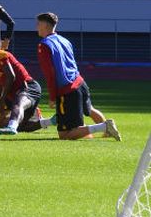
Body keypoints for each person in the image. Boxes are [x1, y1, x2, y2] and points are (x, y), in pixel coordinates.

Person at [36, 12, 120, 141]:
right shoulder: (64, 40)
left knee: (65, 135)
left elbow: (50, 73)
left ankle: (104, 127)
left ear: (46, 25)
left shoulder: (44, 45)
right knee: (89, 109)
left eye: (38, 24)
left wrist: (52, 97)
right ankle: (106, 131)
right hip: (80, 83)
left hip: (67, 90)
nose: (36, 27)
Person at [0, 36, 43, 135]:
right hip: (23, 91)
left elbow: (11, 76)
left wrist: (3, 98)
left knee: (17, 104)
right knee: (22, 126)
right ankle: (51, 121)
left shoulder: (0, 54)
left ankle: (11, 128)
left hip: (28, 87)